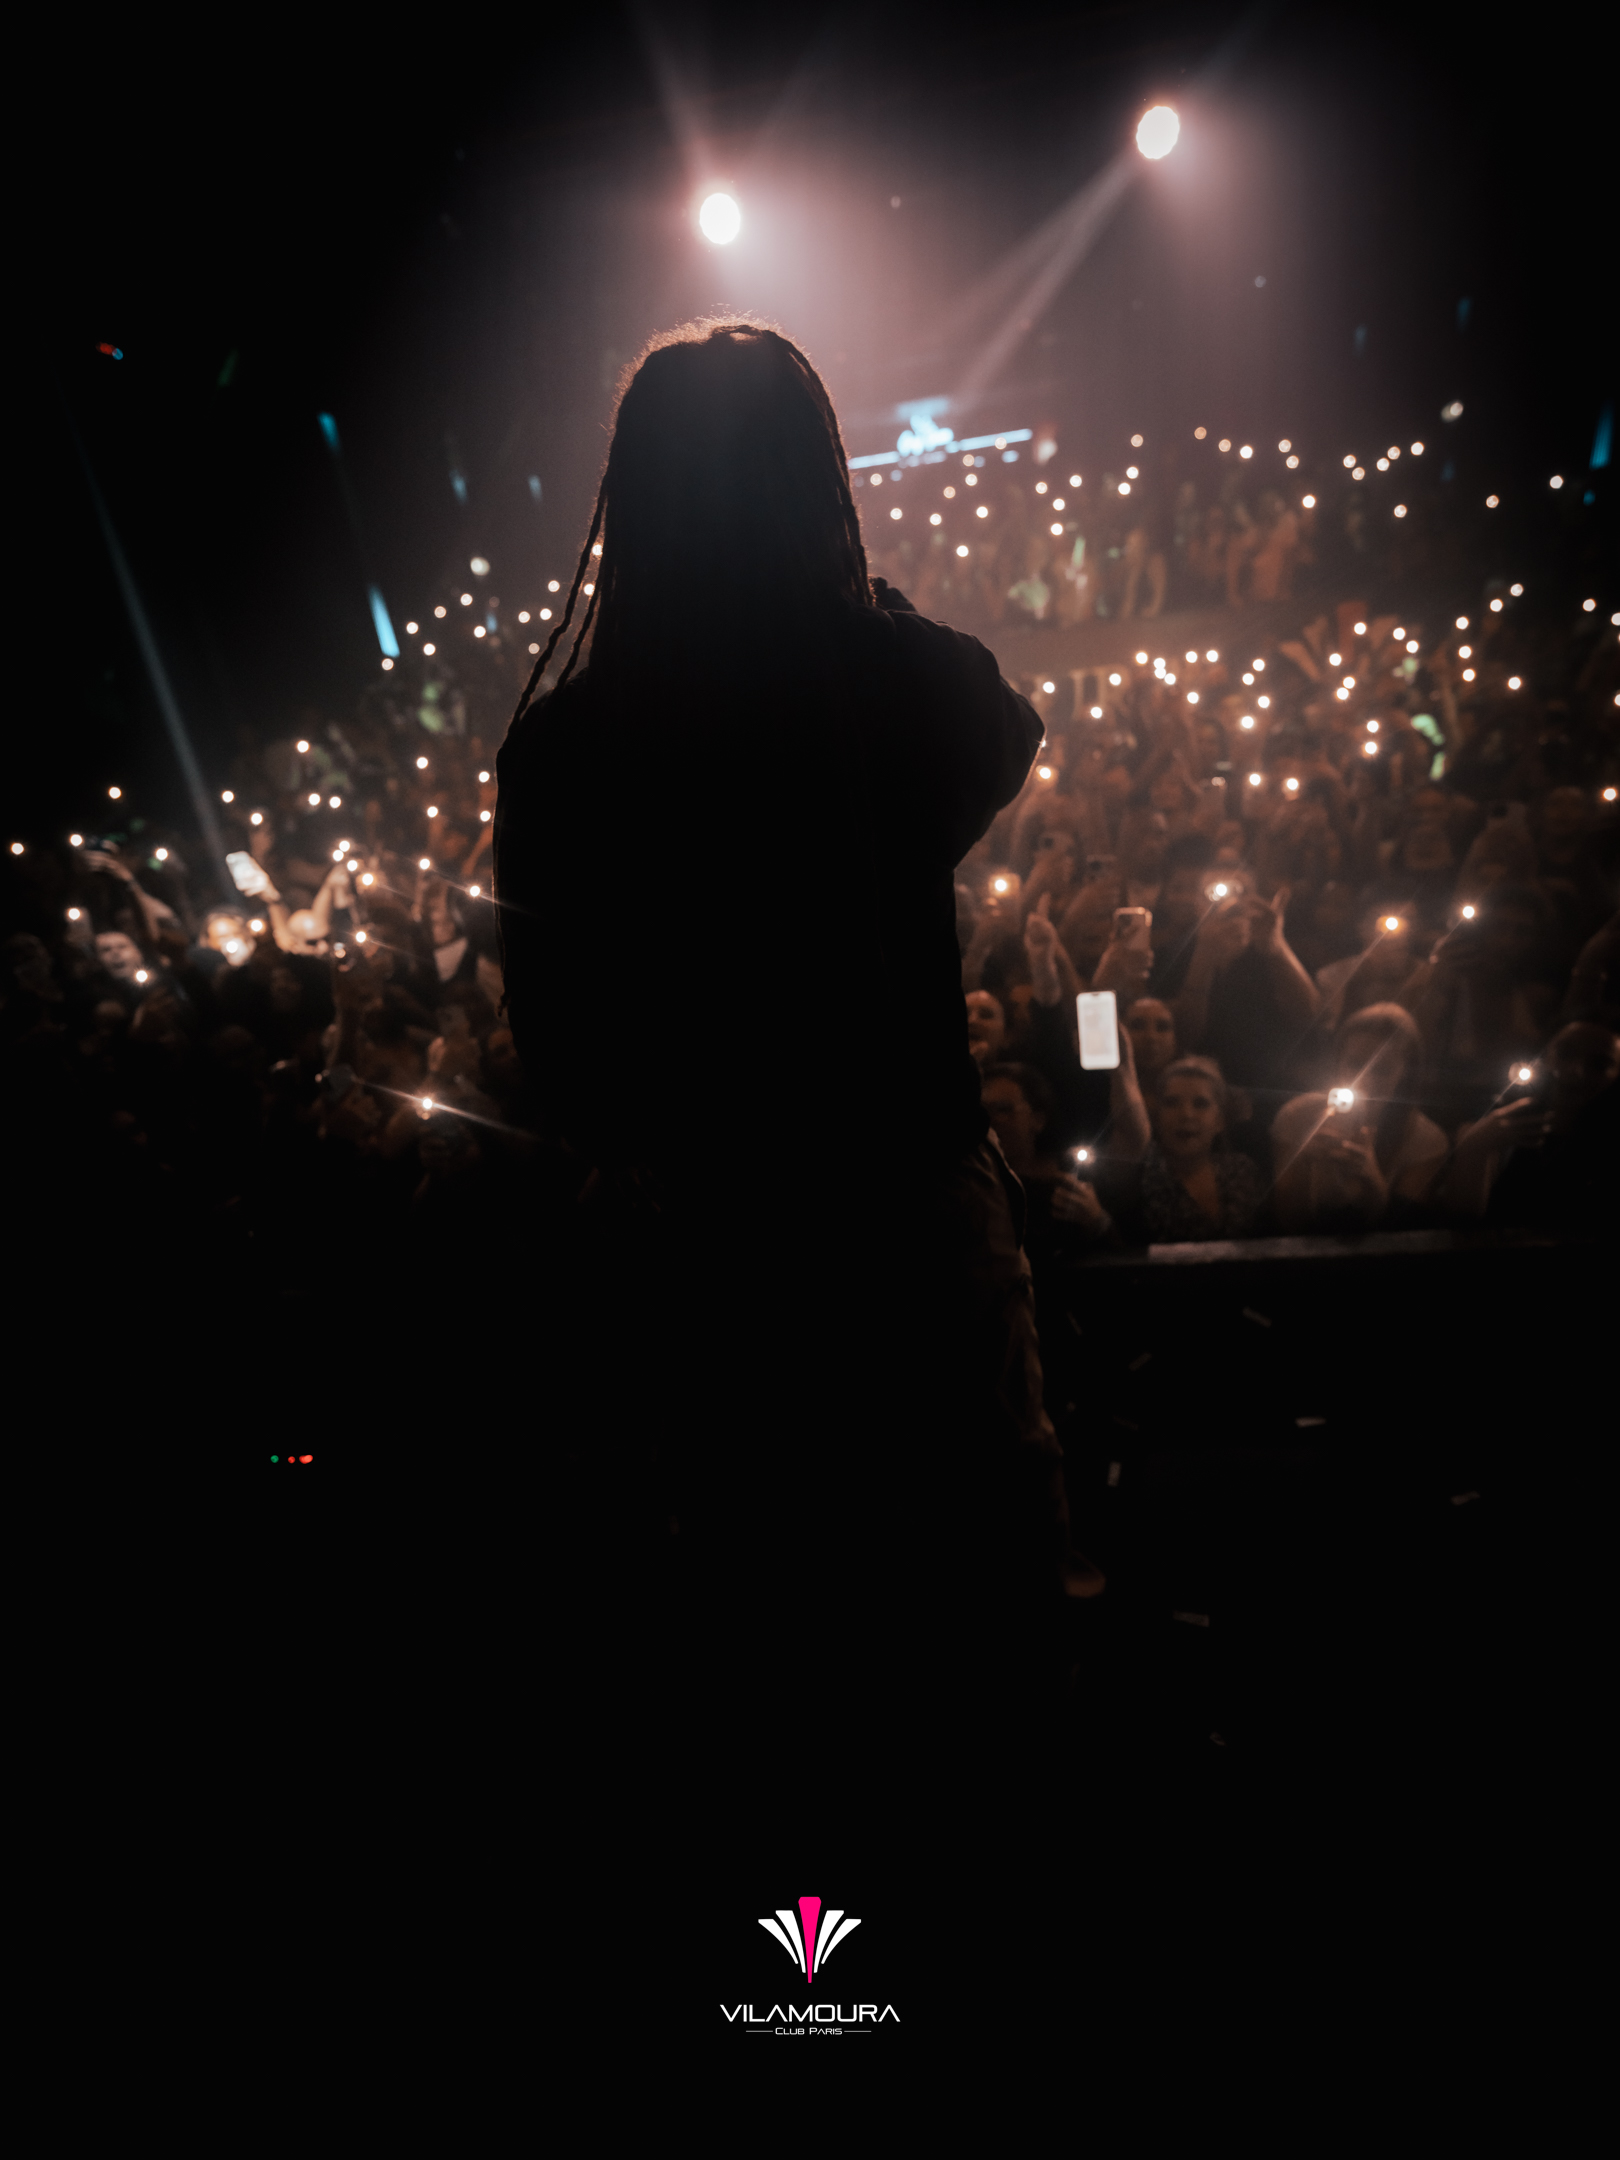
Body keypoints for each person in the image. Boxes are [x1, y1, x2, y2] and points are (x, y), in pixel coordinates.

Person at [493, 318, 1082, 1759]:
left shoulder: (563, 752)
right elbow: (1006, 724)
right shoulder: (888, 689)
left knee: (757, 1625)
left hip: (708, 1253)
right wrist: (853, 594)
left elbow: (557, 1061)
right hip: (911, 1230)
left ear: (633, 497)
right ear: (817, 482)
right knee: (974, 1612)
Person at [1271, 1003, 1449, 1231]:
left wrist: (1372, 1179)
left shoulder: (1426, 1140)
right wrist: (1305, 1166)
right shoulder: (1298, 1116)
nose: (1365, 1080)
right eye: (1355, 1064)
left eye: (1382, 1070)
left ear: (1405, 1074)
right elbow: (1287, 1222)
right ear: (1338, 1062)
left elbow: (1400, 1233)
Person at [1439, 1022, 1620, 1230]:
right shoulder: (1498, 1118)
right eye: (1566, 1053)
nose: (1576, 1071)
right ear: (1544, 1054)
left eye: (1599, 1064)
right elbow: (1460, 1226)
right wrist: (1476, 1147)